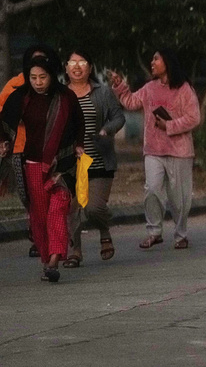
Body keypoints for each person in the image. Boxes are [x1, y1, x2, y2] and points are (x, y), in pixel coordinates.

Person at [0, 55, 84, 282]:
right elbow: (3, 121)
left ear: (52, 76)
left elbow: (79, 122)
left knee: (57, 209)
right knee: (39, 214)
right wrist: (4, 141)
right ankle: (47, 260)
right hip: (34, 164)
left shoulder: (66, 97)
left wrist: (79, 144)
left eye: (43, 77)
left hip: (63, 164)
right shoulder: (22, 97)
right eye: (33, 77)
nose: (38, 82)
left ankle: (55, 259)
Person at [109, 49, 201, 250]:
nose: (152, 62)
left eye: (156, 59)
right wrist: (119, 86)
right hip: (153, 150)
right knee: (152, 189)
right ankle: (154, 232)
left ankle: (181, 235)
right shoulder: (150, 87)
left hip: (179, 151)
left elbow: (194, 118)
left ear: (167, 62)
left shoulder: (185, 89)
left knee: (179, 197)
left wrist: (169, 125)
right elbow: (131, 102)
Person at [64, 50, 126, 267]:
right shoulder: (60, 95)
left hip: (99, 160)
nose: (77, 66)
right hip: (71, 163)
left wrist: (106, 130)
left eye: (82, 62)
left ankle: (104, 228)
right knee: (71, 208)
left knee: (93, 208)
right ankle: (75, 251)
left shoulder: (102, 92)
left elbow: (118, 117)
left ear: (90, 68)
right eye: (72, 62)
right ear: (66, 68)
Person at [0, 44, 60, 258]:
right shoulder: (15, 85)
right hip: (19, 149)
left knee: (47, 193)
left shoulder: (57, 89)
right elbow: (2, 114)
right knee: (27, 195)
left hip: (49, 149)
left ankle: (46, 235)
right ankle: (37, 230)